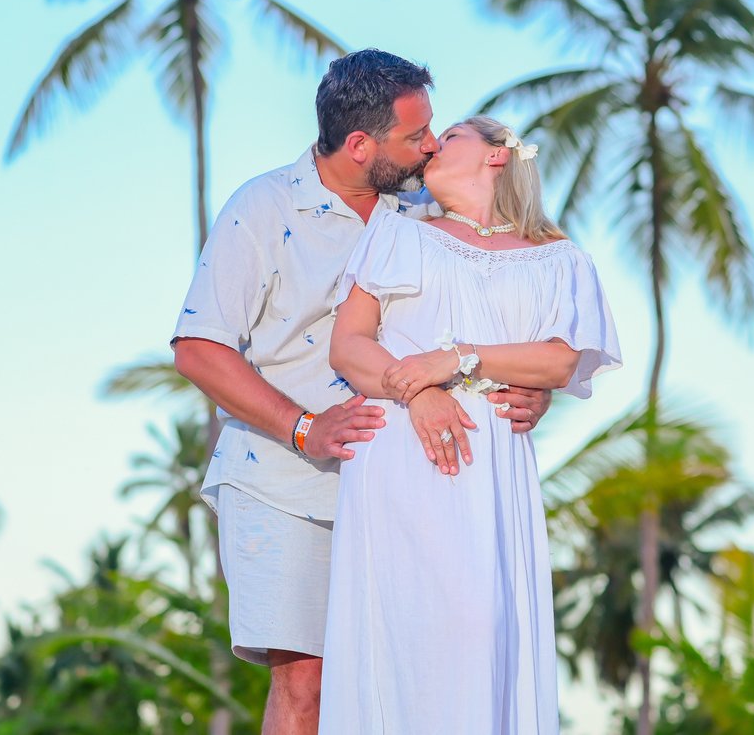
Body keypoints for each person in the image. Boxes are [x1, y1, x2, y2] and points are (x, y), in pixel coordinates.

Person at [171, 52, 555, 735]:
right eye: (415, 136)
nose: (432, 144)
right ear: (358, 145)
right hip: (282, 484)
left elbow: (495, 305)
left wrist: (531, 391)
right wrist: (303, 426)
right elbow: (199, 346)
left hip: (403, 486)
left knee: (414, 682)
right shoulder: (261, 208)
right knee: (308, 687)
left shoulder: (422, 213)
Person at [322, 116, 622, 733]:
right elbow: (349, 346)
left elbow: (562, 358)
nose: (431, 145)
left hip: (495, 468)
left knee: (483, 628)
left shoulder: (560, 258)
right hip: (400, 456)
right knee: (403, 633)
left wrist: (458, 359)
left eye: (450, 135)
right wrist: (423, 389)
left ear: (496, 157)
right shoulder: (398, 232)